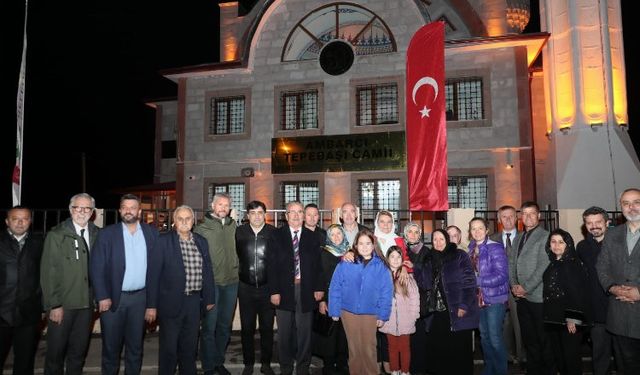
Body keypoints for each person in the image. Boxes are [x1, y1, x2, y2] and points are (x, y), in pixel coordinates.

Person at [90, 193, 159, 375]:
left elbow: (155, 272)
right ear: (120, 210)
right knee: (111, 349)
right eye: (125, 207)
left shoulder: (152, 233)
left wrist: (152, 305)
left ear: (140, 211)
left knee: (135, 348)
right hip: (113, 299)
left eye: (133, 207)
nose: (129, 211)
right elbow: (96, 267)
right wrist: (102, 296)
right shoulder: (106, 234)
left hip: (140, 299)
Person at [147, 205, 215, 375]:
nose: (184, 222)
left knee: (189, 348)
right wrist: (151, 305)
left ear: (193, 221)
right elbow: (153, 275)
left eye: (188, 218)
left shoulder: (201, 241)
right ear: (174, 221)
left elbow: (207, 271)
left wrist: (209, 298)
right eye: (180, 218)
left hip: (194, 303)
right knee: (169, 350)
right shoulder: (163, 241)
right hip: (170, 303)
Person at [41, 193, 99, 375]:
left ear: (92, 212)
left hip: (87, 305)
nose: (82, 212)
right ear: (70, 209)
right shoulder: (57, 235)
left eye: (87, 208)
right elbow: (48, 272)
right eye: (77, 208)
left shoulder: (98, 234)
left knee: (78, 353)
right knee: (55, 355)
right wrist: (54, 305)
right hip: (63, 306)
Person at [267, 201, 324, 375]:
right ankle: (285, 367)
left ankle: (302, 368)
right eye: (292, 212)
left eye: (300, 212)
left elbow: (318, 266)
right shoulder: (276, 235)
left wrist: (319, 288)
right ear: (286, 215)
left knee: (304, 333)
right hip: (283, 290)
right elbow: (271, 265)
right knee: (284, 333)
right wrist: (274, 291)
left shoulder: (313, 236)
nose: (296, 215)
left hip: (306, 290)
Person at [413, 229, 478, 375]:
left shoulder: (459, 255)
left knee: (459, 349)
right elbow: (424, 283)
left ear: (447, 240)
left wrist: (464, 305)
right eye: (435, 239)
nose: (438, 242)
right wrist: (416, 268)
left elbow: (469, 282)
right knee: (440, 350)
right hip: (437, 312)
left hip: (457, 310)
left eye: (441, 239)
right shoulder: (430, 259)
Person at [328, 229, 393, 375]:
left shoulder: (381, 266)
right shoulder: (345, 263)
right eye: (361, 243)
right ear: (355, 245)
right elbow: (335, 287)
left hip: (370, 313)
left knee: (369, 348)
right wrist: (334, 310)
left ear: (373, 245)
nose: (364, 247)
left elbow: (386, 293)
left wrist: (383, 315)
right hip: (348, 312)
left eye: (368, 243)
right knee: (354, 348)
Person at [597, 188, 640, 374]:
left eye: (636, 202)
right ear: (620, 207)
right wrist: (613, 288)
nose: (631, 207)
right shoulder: (612, 235)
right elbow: (602, 267)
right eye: (626, 203)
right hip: (619, 317)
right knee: (625, 367)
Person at [195, 192, 239, 375]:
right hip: (211, 284)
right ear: (212, 206)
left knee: (224, 326)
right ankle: (208, 365)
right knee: (209, 326)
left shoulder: (233, 226)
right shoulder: (202, 228)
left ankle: (219, 361)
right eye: (220, 204)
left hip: (231, 283)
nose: (223, 208)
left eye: (226, 205)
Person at [509, 201, 553, 375]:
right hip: (522, 298)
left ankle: (548, 370)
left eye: (531, 213)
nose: (527, 217)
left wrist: (525, 287)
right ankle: (534, 370)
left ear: (539, 216)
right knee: (529, 339)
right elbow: (512, 262)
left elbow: (543, 265)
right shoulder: (519, 237)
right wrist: (514, 284)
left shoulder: (545, 236)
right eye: (524, 214)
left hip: (538, 297)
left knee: (544, 340)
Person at [0, 206, 43, 375]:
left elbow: (45, 275)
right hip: (1, 313)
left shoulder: (39, 243)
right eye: (15, 218)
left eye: (24, 218)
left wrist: (41, 303)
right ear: (7, 221)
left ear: (30, 221)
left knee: (24, 363)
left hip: (28, 314)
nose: (20, 222)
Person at [235, 200, 277, 375]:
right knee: (247, 328)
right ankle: (248, 363)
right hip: (246, 288)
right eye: (253, 213)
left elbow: (278, 261)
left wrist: (276, 289)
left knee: (267, 328)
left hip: (268, 288)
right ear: (247, 216)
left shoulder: (273, 233)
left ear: (265, 215)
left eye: (260, 213)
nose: (257, 216)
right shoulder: (239, 232)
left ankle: (266, 363)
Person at [542, 229, 591, 375]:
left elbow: (579, 293)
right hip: (554, 318)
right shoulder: (554, 262)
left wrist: (572, 319)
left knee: (571, 360)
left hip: (569, 321)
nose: (556, 245)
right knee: (560, 359)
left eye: (561, 242)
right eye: (553, 241)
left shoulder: (572, 264)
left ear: (568, 244)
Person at [576, 206, 615, 375]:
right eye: (589, 223)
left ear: (607, 222)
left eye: (598, 222)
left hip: (620, 307)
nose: (594, 226)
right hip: (597, 312)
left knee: (626, 356)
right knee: (600, 355)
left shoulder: (619, 244)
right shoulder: (582, 247)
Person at [468, 217, 509, 375]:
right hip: (478, 299)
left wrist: (477, 280)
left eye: (480, 228)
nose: (477, 231)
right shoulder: (471, 248)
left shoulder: (495, 248)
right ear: (470, 232)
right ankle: (489, 369)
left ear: (487, 230)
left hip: (494, 299)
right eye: (473, 228)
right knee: (484, 337)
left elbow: (502, 276)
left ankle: (500, 371)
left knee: (495, 337)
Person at [489, 205, 525, 365]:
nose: (508, 219)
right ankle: (507, 356)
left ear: (517, 218)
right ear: (498, 220)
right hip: (498, 290)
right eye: (504, 216)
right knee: (502, 323)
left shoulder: (525, 237)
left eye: (511, 216)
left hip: (520, 288)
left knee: (520, 323)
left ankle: (522, 356)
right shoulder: (492, 239)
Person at [379, 246, 420, 375]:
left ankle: (405, 371)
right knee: (392, 348)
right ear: (387, 258)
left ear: (402, 259)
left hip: (406, 320)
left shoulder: (407, 277)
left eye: (398, 257)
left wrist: (414, 316)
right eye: (392, 257)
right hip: (388, 319)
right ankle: (395, 371)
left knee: (405, 348)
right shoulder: (383, 276)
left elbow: (415, 298)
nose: (395, 260)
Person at [318, 224, 350, 375]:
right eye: (333, 234)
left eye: (339, 233)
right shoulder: (325, 252)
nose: (336, 237)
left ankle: (342, 363)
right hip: (331, 298)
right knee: (331, 334)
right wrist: (322, 300)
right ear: (328, 237)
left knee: (345, 333)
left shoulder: (350, 251)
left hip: (348, 299)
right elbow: (322, 277)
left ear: (343, 235)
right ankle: (329, 365)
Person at [401, 223, 429, 375]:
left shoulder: (425, 251)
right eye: (409, 232)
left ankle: (418, 368)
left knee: (418, 335)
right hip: (403, 298)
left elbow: (428, 273)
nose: (412, 235)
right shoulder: (401, 249)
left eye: (416, 232)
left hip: (419, 299)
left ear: (420, 234)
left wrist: (414, 266)